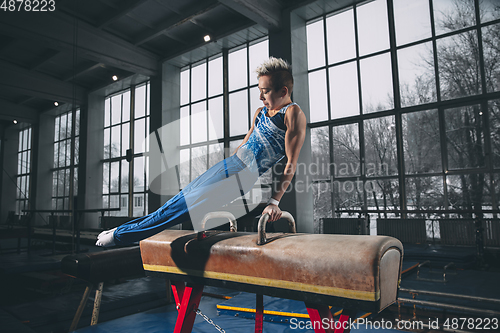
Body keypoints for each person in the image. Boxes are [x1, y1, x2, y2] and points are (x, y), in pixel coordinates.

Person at [96, 57, 307, 247]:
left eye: (266, 91)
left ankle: (121, 236)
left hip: (242, 176)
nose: (260, 96)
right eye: (259, 90)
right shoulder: (260, 112)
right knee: (176, 202)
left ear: (283, 91)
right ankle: (120, 231)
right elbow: (244, 144)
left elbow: (291, 163)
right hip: (230, 165)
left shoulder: (292, 113)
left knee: (179, 210)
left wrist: (274, 202)